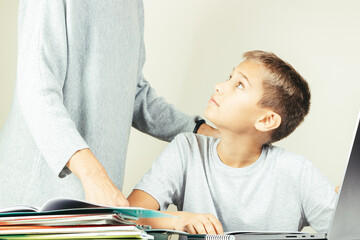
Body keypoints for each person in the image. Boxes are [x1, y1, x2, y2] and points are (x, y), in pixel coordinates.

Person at [0, 0, 218, 208]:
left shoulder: (132, 4)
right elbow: (37, 90)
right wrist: (93, 175)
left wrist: (198, 130)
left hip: (93, 202)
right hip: (33, 199)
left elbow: (134, 94)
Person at [127, 50, 337, 234]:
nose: (219, 86)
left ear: (266, 120)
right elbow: (128, 215)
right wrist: (176, 220)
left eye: (239, 84)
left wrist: (347, 208)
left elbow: (348, 229)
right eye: (229, 77)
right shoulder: (187, 149)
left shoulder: (297, 172)